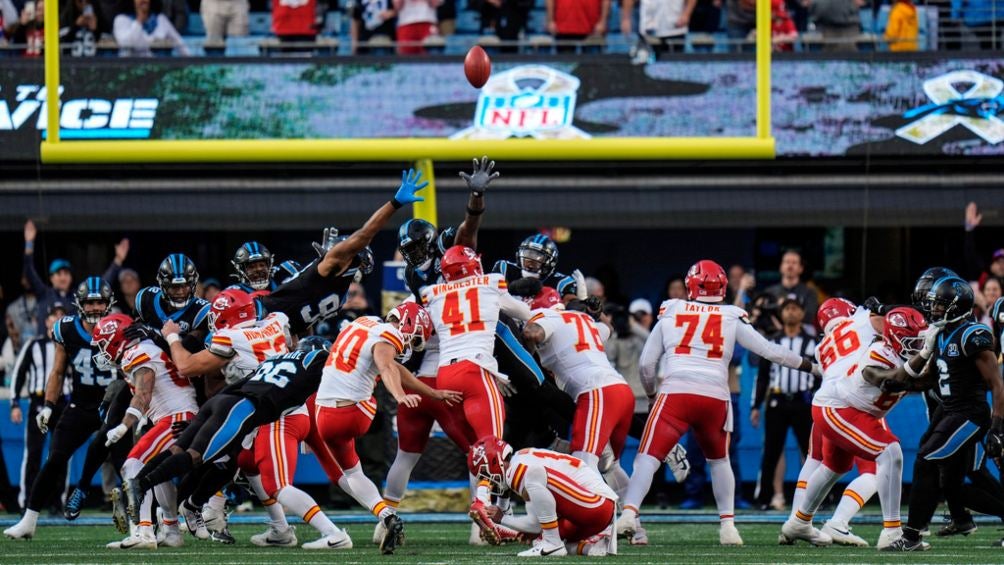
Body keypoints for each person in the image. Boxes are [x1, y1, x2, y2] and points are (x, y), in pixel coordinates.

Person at [617, 259, 818, 547]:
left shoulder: (672, 310)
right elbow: (770, 351)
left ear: (690, 285)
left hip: (676, 391)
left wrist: (651, 396)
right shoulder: (731, 316)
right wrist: (811, 366)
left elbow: (647, 365)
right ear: (722, 286)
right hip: (715, 396)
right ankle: (728, 526)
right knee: (720, 460)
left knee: (647, 457)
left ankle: (629, 513)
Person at [315, 302, 458, 554]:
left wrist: (433, 393)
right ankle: (389, 516)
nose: (410, 347)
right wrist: (400, 396)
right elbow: (387, 366)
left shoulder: (362, 323)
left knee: (353, 474)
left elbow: (395, 366)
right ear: (407, 323)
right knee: (373, 391)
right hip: (355, 413)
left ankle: (386, 517)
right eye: (414, 340)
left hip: (323, 416)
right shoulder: (388, 334)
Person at [782, 306, 926, 549]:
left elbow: (922, 378)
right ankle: (892, 533)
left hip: (845, 404)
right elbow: (893, 380)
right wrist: (925, 357)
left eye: (919, 341)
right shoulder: (878, 352)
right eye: (911, 341)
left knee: (834, 467)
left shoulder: (828, 344)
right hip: (839, 407)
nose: (917, 346)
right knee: (890, 452)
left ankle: (798, 522)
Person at [885, 277, 1004, 551]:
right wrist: (902, 383)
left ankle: (911, 536)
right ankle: (936, 527)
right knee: (951, 487)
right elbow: (933, 378)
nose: (933, 310)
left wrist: (997, 427)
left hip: (969, 413)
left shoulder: (971, 334)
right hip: (949, 411)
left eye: (939, 305)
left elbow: (997, 385)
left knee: (926, 460)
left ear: (955, 305)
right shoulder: (940, 334)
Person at [4, 277, 117, 540]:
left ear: (109, 302)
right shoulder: (66, 329)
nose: (95, 308)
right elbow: (56, 372)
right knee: (54, 459)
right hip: (80, 404)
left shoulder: (120, 327)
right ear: (79, 304)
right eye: (90, 303)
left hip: (113, 405)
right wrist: (48, 406)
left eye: (100, 301)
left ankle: (145, 525)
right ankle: (29, 521)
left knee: (129, 462)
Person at [92, 313, 197, 549]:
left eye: (102, 344)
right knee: (157, 473)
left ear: (116, 339)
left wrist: (123, 425)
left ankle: (144, 531)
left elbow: (143, 395)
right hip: (182, 415)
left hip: (175, 417)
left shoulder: (138, 353)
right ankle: (170, 530)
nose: (101, 350)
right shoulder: (145, 349)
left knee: (133, 464)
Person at [469, 438, 618, 557]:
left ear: (495, 462)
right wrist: (510, 527)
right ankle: (591, 548)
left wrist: (502, 519)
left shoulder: (516, 469)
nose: (489, 480)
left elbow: (535, 524)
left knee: (535, 474)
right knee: (538, 540)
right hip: (593, 511)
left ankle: (552, 544)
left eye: (485, 473)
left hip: (596, 504)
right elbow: (539, 525)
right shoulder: (521, 458)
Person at [750, 298, 816, 510]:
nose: (790, 312)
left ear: (802, 312)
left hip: (803, 402)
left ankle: (815, 498)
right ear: (781, 312)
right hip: (777, 402)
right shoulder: (771, 342)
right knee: (771, 451)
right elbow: (762, 377)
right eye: (786, 308)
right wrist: (755, 406)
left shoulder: (813, 342)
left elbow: (821, 375)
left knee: (811, 452)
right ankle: (765, 498)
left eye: (795, 308)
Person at [10, 303, 69, 513]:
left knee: (60, 454)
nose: (57, 318)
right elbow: (19, 373)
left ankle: (57, 502)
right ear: (46, 321)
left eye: (62, 315)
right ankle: (26, 501)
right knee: (33, 453)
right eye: (54, 315)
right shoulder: (33, 344)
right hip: (38, 401)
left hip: (63, 403)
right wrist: (15, 403)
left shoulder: (71, 343)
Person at [113, 0, 190, 56]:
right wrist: (139, 21)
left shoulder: (161, 19)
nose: (143, 1)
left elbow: (180, 44)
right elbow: (128, 44)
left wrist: (191, 64)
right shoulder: (121, 20)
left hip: (157, 69)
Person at [621, 0, 697, 54]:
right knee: (646, 64)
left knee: (674, 64)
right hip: (648, 27)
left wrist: (686, 14)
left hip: (674, 26)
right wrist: (626, 18)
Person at [765, 250, 818, 327]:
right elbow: (765, 315)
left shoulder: (809, 292)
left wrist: (786, 306)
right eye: (787, 262)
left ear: (801, 269)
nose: (790, 266)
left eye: (794, 263)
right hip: (773, 333)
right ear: (781, 267)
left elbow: (810, 317)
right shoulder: (769, 292)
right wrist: (778, 305)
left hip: (802, 332)